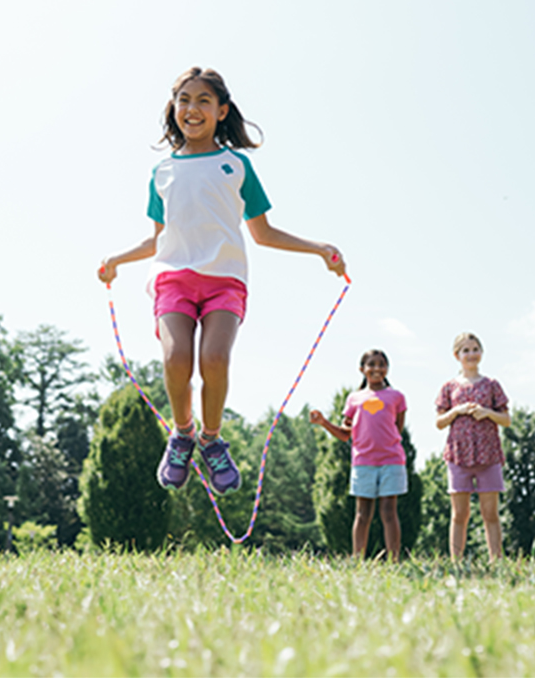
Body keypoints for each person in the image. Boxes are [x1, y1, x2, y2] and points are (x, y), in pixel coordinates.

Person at [99, 66, 345, 496]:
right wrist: (117, 260)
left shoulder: (236, 165)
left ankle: (211, 440)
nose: (192, 109)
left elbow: (264, 233)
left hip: (225, 282)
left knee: (215, 358)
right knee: (177, 360)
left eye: (203, 101)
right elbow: (158, 239)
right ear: (173, 108)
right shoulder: (162, 172)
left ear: (221, 110)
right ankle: (183, 434)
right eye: (184, 100)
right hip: (173, 277)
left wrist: (319, 248)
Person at [310, 349, 408, 561]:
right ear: (362, 369)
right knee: (362, 514)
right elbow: (346, 434)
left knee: (389, 512)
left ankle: (394, 561)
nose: (376, 368)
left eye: (381, 364)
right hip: (363, 462)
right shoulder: (354, 399)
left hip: (391, 461)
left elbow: (397, 428)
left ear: (387, 369)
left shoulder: (396, 397)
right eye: (371, 364)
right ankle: (357, 561)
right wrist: (324, 422)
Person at [435, 332, 510, 561]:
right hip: (459, 456)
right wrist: (456, 411)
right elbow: (439, 422)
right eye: (466, 350)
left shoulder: (491, 385)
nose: (471, 354)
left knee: (490, 513)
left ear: (481, 353)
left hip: (488, 455)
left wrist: (487, 412)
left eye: (475, 349)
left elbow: (506, 419)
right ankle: (456, 562)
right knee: (460, 514)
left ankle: (496, 561)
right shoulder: (449, 387)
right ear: (457, 355)